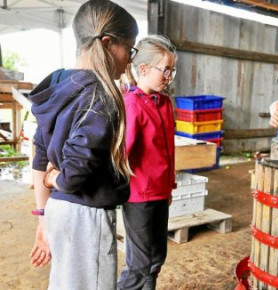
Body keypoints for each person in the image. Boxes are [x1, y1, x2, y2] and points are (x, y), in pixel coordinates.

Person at [28, 1, 138, 289]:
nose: (129, 60)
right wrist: (56, 178)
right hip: (86, 217)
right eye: (130, 48)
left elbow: (40, 158)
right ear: (107, 43)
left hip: (58, 211)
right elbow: (73, 176)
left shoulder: (58, 87)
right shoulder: (100, 98)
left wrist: (43, 218)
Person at [117, 35, 177, 290]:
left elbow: (169, 150)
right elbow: (122, 154)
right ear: (143, 69)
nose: (169, 76)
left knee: (156, 259)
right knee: (140, 264)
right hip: (138, 195)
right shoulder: (132, 104)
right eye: (165, 70)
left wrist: (169, 186)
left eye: (173, 71)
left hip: (160, 192)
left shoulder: (164, 102)